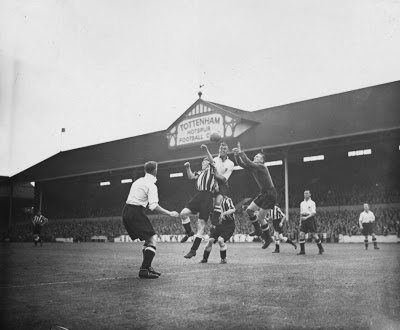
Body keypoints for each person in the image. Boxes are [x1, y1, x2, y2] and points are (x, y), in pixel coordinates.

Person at [122, 161, 179, 279]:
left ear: (145, 170)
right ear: (155, 170)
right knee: (152, 239)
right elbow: (153, 206)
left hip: (126, 211)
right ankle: (144, 270)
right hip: (136, 212)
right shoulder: (151, 185)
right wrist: (169, 213)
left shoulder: (138, 181)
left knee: (148, 240)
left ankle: (147, 267)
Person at [181, 146, 227, 259]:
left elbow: (212, 160)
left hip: (207, 197)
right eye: (202, 161)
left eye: (205, 161)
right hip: (198, 196)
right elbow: (191, 176)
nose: (203, 162)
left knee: (201, 225)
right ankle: (189, 232)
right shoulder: (200, 172)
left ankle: (193, 250)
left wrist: (206, 150)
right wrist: (188, 167)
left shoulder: (212, 169)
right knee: (183, 213)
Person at [232, 142, 274, 248]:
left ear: (262, 160)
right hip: (264, 193)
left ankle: (268, 238)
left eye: (258, 156)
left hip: (270, 194)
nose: (255, 156)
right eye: (255, 156)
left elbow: (248, 162)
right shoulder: (255, 168)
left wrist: (241, 152)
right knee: (249, 211)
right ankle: (258, 230)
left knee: (260, 217)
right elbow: (242, 164)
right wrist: (236, 155)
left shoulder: (262, 167)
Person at [199, 194, 236, 264]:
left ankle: (223, 259)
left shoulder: (227, 200)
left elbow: (233, 209)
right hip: (220, 225)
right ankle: (204, 259)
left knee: (220, 240)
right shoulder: (213, 205)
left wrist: (224, 213)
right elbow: (214, 219)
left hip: (229, 225)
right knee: (210, 241)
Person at [297, 190, 324, 255]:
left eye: (307, 193)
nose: (305, 194)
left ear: (310, 195)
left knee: (314, 235)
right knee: (301, 234)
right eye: (304, 193)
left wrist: (306, 218)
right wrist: (300, 221)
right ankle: (302, 251)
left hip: (310, 219)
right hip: (303, 219)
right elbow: (301, 213)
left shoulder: (312, 203)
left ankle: (321, 248)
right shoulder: (302, 203)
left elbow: (313, 213)